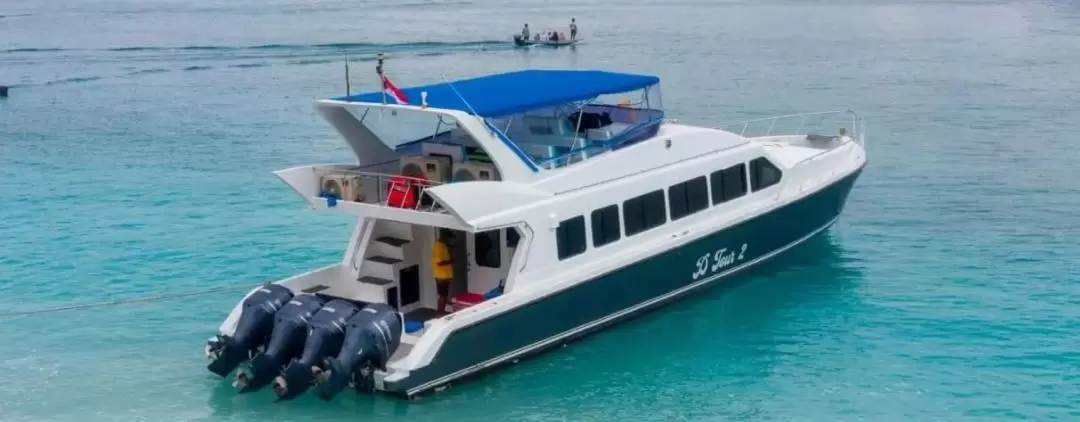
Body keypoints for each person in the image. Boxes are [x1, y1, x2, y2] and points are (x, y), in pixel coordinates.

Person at [432, 232, 454, 316]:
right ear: (445, 237)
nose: (450, 241)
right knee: (442, 295)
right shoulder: (438, 246)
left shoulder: (443, 246)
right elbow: (439, 262)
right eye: (449, 239)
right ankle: (440, 313)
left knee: (444, 295)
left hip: (446, 276)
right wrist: (450, 261)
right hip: (441, 276)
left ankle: (442, 312)